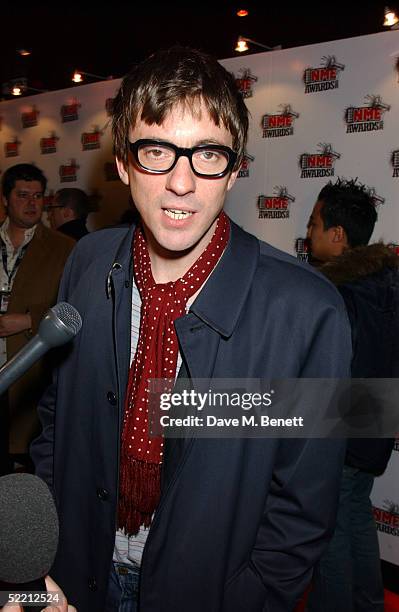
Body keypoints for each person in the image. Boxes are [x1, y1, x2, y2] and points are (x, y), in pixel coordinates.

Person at [31, 46, 351, 612]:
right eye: (157, 151)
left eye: (207, 154)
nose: (182, 183)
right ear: (125, 163)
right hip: (75, 578)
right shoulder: (87, 262)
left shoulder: (308, 311)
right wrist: (43, 561)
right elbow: (57, 424)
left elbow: (302, 509)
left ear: (233, 169)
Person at [306, 178, 399, 612]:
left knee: (331, 532)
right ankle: (370, 603)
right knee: (357, 516)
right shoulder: (385, 283)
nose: (309, 234)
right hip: (374, 422)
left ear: (337, 235)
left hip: (341, 427)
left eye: (315, 224)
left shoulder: (337, 293)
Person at [0, 164, 75, 475]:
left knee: (23, 473)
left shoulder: (65, 248)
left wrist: (30, 320)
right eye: (22, 195)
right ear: (5, 199)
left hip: (29, 375)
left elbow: (72, 305)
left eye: (38, 196)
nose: (32, 203)